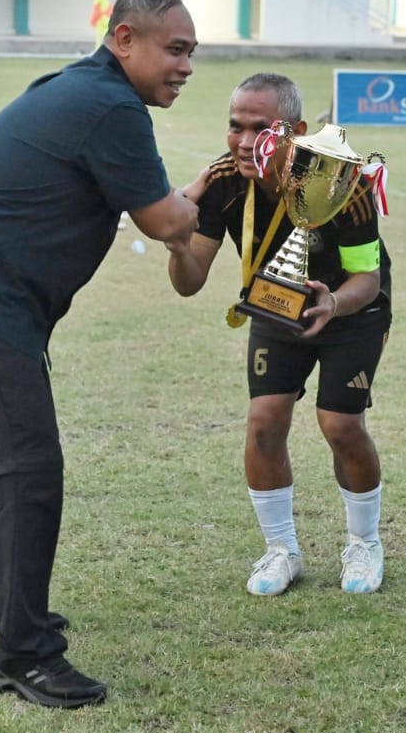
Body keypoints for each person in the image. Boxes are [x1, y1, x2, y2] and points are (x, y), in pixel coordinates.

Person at [0, 0, 199, 709]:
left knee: (11, 466)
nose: (186, 66)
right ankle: (22, 656)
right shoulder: (111, 106)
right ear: (124, 39)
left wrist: (194, 195)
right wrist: (209, 195)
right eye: (175, 49)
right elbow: (165, 223)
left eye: (192, 53)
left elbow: (158, 210)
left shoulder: (86, 89)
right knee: (24, 472)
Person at [166, 73, 392, 597]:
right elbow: (188, 282)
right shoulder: (224, 180)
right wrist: (177, 241)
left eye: (261, 128)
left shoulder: (344, 181)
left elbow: (368, 278)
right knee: (264, 423)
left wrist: (333, 303)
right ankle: (281, 550)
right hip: (273, 304)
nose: (245, 141)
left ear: (297, 131)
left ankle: (364, 543)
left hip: (352, 310)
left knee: (340, 425)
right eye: (235, 126)